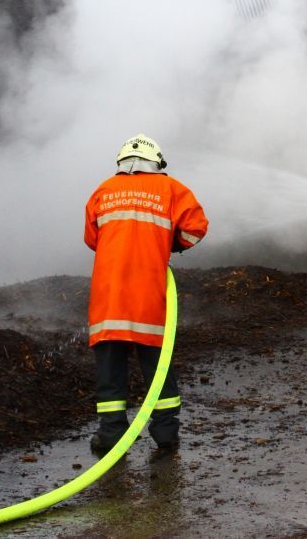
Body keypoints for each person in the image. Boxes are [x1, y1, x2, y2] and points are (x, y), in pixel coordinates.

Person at [84, 133, 208, 454]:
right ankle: (165, 434)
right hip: (149, 293)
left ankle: (111, 435)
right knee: (158, 364)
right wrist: (169, 244)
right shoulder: (172, 189)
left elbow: (92, 238)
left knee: (110, 367)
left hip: (109, 296)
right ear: (157, 163)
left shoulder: (103, 190)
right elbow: (195, 228)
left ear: (121, 162)